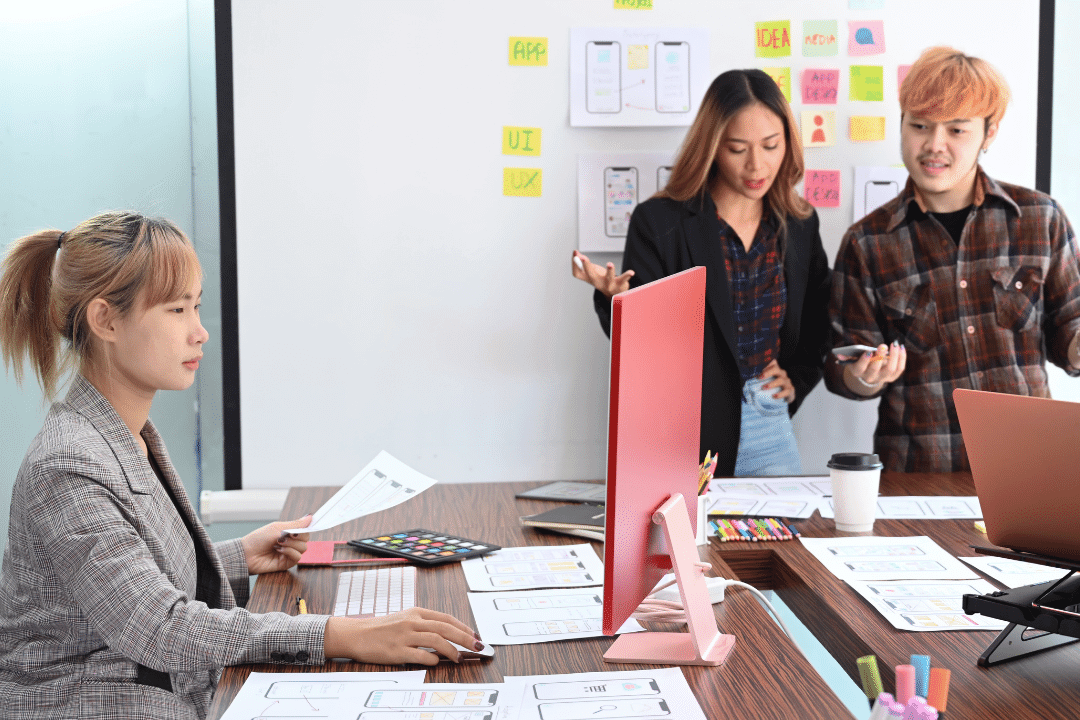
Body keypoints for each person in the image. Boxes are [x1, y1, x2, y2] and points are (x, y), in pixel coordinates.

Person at [0, 212, 481, 720]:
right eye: (176, 309)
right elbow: (159, 627)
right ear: (106, 321)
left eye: (197, 307)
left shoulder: (125, 433)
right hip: (94, 704)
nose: (199, 332)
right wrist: (346, 635)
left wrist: (238, 556)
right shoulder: (70, 464)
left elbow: (131, 580)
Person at [826, 46, 1080, 472]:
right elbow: (841, 368)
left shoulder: (1040, 217)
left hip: (1032, 466)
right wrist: (863, 377)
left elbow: (1068, 329)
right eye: (919, 125)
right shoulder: (868, 243)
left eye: (957, 130)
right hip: (917, 478)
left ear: (989, 133)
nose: (934, 145)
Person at [572, 69, 831, 477]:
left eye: (770, 145)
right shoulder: (660, 222)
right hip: (687, 428)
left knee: (784, 538)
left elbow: (821, 313)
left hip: (769, 419)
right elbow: (647, 349)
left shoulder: (798, 223)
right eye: (737, 148)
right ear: (712, 146)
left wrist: (798, 376)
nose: (756, 164)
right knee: (690, 542)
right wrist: (616, 300)